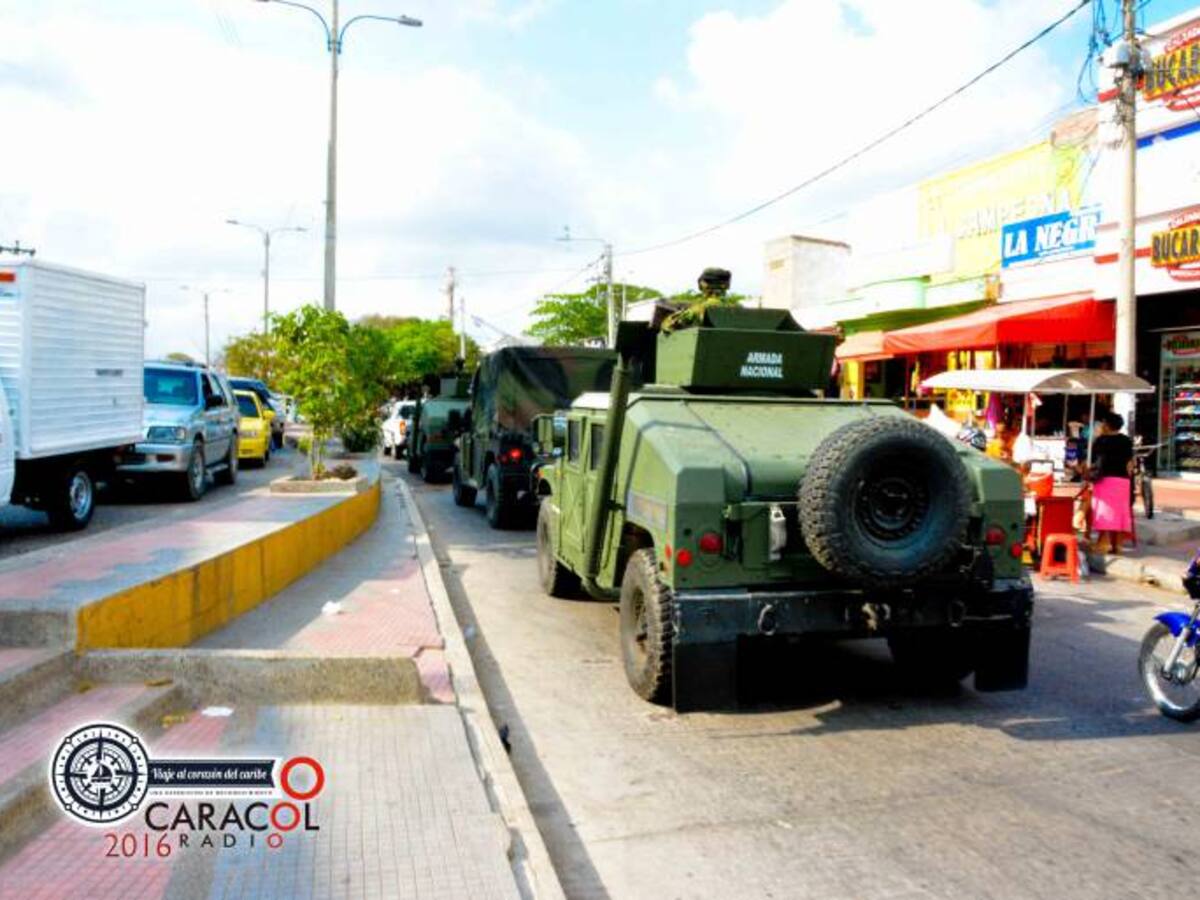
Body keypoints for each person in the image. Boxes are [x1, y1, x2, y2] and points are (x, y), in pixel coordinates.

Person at [1089, 411, 1134, 554]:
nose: (1101, 425)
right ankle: (1117, 545)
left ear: (1107, 425)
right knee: (1119, 513)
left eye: (1103, 423)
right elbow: (1130, 464)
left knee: (1104, 512)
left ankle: (1102, 543)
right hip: (1122, 481)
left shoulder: (1100, 441)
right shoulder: (1127, 441)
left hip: (1105, 479)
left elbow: (1094, 463)